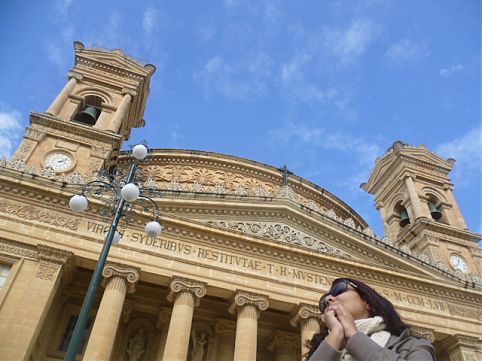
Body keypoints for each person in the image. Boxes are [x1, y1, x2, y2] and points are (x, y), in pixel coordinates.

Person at [306, 278, 436, 361]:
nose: (329, 300)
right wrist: (335, 336)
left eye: (338, 290)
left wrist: (354, 336)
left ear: (367, 301)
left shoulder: (413, 345)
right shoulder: (326, 350)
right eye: (324, 304)